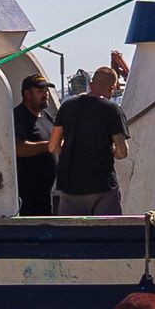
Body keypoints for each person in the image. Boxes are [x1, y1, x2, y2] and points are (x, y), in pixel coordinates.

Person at [50, 56, 129, 216]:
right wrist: (108, 149)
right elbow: (122, 152)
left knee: (72, 237)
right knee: (106, 235)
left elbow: (53, 146)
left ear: (91, 84)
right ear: (112, 88)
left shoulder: (67, 106)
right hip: (102, 187)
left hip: (69, 187)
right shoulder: (112, 110)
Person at [12, 70, 61, 217]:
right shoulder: (18, 117)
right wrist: (49, 145)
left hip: (46, 192)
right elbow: (18, 148)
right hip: (26, 194)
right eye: (40, 90)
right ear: (27, 94)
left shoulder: (46, 116)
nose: (45, 94)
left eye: (46, 90)